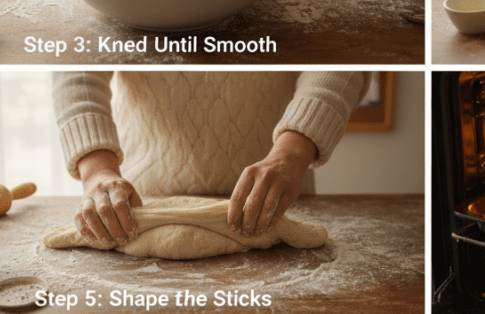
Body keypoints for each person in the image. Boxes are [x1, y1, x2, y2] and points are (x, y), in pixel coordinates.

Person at [53, 71, 370, 243]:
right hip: (136, 201)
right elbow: (76, 70)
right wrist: (97, 169)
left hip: (278, 196)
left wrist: (291, 154)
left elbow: (341, 64)